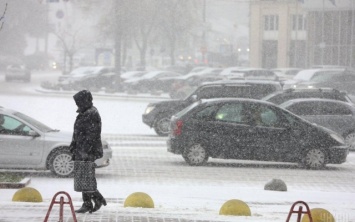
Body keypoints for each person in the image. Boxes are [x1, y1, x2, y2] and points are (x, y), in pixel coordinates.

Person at [69, 90, 106, 213]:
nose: (77, 105)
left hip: (87, 151)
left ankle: (97, 199)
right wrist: (74, 145)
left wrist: (85, 151)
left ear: (84, 101)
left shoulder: (91, 114)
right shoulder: (86, 112)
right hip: (82, 150)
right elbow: (78, 133)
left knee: (86, 178)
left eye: (78, 102)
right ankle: (88, 203)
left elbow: (91, 135)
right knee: (83, 177)